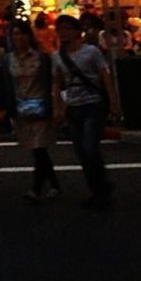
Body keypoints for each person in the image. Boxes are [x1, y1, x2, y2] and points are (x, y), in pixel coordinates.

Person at [52, 14, 119, 209]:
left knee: (90, 147)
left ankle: (101, 188)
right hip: (73, 106)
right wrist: (58, 106)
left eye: (66, 28)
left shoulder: (91, 52)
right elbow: (57, 82)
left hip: (93, 105)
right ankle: (98, 189)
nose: (63, 33)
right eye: (60, 29)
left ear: (76, 31)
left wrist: (113, 101)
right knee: (81, 152)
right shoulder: (57, 56)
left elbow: (104, 76)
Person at [4, 21, 60, 202]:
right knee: (36, 148)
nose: (18, 37)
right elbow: (7, 84)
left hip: (41, 106)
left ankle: (36, 189)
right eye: (15, 34)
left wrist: (55, 105)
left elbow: (51, 82)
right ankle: (55, 184)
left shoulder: (41, 58)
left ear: (29, 35)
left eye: (21, 33)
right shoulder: (9, 59)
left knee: (39, 148)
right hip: (21, 108)